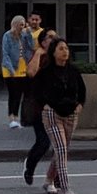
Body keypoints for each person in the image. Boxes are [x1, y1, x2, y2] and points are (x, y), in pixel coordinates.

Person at [30, 33, 83, 194]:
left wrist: (80, 104)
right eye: (61, 49)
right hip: (53, 113)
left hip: (71, 113)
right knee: (60, 147)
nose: (64, 52)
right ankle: (66, 187)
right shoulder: (46, 72)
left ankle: (48, 180)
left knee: (63, 149)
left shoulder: (73, 71)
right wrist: (45, 105)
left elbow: (82, 89)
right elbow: (36, 90)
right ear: (53, 52)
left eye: (66, 48)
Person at [21, 29, 59, 186]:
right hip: (40, 107)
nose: (53, 39)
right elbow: (31, 73)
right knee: (43, 142)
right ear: (43, 42)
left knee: (60, 145)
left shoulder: (59, 57)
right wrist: (38, 53)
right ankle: (29, 167)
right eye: (50, 37)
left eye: (55, 37)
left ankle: (56, 178)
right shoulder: (39, 57)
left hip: (58, 107)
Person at [0, 13, 35, 125]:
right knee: (13, 94)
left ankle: (16, 116)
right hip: (10, 67)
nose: (22, 27)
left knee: (19, 94)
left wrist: (29, 34)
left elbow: (31, 46)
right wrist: (11, 69)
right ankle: (12, 117)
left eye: (23, 25)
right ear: (15, 24)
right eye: (20, 25)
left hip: (22, 66)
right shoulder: (7, 36)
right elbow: (5, 54)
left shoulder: (23, 35)